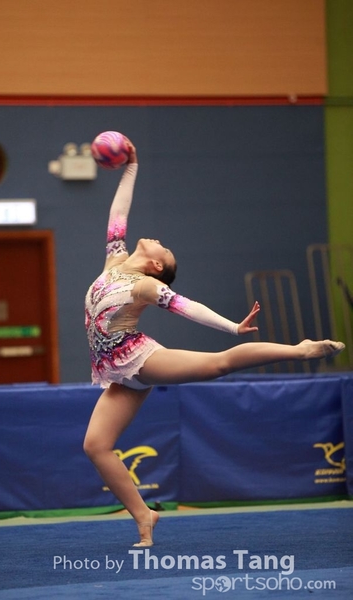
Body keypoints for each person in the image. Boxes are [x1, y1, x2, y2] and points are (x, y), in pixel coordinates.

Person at [83, 140, 345, 547]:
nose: (158, 239)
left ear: (157, 265)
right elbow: (118, 212)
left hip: (137, 358)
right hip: (116, 373)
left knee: (219, 364)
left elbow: (187, 307)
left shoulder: (146, 286)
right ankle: (144, 516)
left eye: (164, 248)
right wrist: (131, 167)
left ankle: (300, 349)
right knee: (96, 446)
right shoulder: (114, 260)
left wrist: (232, 327)